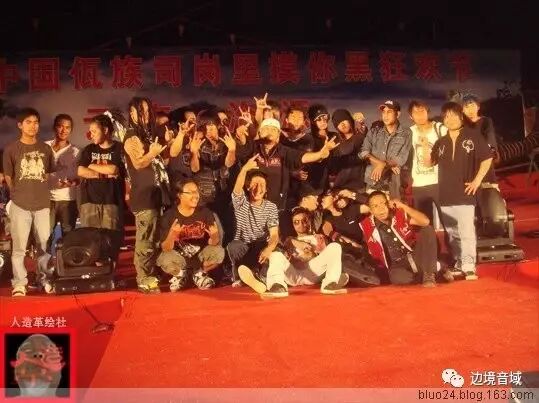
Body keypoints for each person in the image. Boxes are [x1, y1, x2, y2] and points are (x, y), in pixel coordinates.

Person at [426, 102, 493, 280]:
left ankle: (469, 266)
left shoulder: (473, 136)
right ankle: (459, 262)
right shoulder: (440, 142)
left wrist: (477, 181)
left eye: (454, 115)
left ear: (461, 117)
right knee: (452, 232)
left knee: (466, 231)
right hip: (445, 194)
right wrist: (424, 145)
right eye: (446, 116)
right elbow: (429, 163)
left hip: (465, 193)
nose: (450, 119)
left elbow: (487, 158)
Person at [238, 206, 349, 298]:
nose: (301, 224)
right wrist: (297, 244)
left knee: (335, 247)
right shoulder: (289, 240)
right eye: (296, 222)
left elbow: (327, 259)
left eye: (304, 221)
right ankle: (277, 286)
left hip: (312, 272)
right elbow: (285, 243)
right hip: (293, 274)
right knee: (275, 255)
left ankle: (330, 284)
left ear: (309, 221)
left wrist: (315, 252)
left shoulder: (319, 237)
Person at [3, 108, 54, 297]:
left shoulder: (45, 149)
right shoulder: (11, 149)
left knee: (44, 246)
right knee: (19, 248)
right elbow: (9, 177)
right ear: (20, 125)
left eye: (36, 122)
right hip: (20, 204)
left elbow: (47, 175)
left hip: (42, 204)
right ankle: (19, 283)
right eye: (28, 122)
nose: (33, 126)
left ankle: (44, 279)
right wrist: (17, 194)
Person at [236, 118, 338, 211]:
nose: (269, 131)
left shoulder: (285, 152)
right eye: (266, 129)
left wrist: (320, 154)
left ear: (278, 135)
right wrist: (241, 138)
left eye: (273, 129)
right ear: (259, 132)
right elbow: (242, 148)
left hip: (276, 208)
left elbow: (302, 157)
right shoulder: (252, 147)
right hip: (250, 205)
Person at [123, 97, 171, 293]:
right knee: (146, 240)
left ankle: (154, 274)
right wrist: (151, 153)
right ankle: (144, 278)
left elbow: (162, 163)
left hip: (157, 194)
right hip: (144, 197)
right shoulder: (132, 136)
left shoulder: (148, 135)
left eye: (146, 110)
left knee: (156, 238)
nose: (144, 114)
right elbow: (138, 163)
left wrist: (165, 146)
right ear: (132, 114)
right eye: (139, 111)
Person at [360, 191, 439, 287]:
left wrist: (403, 206)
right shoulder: (366, 226)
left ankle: (429, 275)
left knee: (427, 229)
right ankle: (433, 271)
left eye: (383, 204)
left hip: (415, 255)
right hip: (397, 265)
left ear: (388, 204)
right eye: (375, 206)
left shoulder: (398, 214)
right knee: (398, 278)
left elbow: (425, 221)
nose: (381, 209)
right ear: (371, 210)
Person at [158, 180, 225, 292]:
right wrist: (172, 234)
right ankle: (181, 276)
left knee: (218, 251)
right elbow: (165, 248)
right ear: (179, 195)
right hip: (180, 260)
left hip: (200, 259)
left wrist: (214, 236)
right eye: (190, 192)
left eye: (196, 192)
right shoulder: (169, 216)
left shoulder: (205, 212)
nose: (195, 196)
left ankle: (199, 274)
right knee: (165, 258)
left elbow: (214, 243)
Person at [227, 154, 280, 287]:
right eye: (254, 184)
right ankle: (239, 277)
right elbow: (237, 190)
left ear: (266, 189)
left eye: (262, 184)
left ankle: (261, 276)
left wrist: (269, 248)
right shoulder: (241, 203)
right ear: (248, 187)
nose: (258, 188)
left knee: (276, 250)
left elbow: (274, 235)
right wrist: (244, 169)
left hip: (261, 246)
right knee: (233, 246)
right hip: (244, 246)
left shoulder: (271, 207)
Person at [77, 114, 124, 230]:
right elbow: (81, 171)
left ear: (105, 130)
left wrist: (91, 165)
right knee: (89, 237)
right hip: (89, 202)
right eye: (90, 132)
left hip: (112, 202)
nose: (91, 135)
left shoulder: (120, 148)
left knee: (110, 237)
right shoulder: (89, 149)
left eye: (94, 131)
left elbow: (113, 169)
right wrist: (104, 174)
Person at [359, 100, 412, 199]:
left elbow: (402, 158)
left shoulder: (406, 133)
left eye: (389, 112)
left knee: (393, 208)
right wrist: (381, 164)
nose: (385, 115)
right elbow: (363, 152)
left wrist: (384, 164)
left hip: (393, 185)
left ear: (398, 114)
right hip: (372, 183)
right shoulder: (373, 132)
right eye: (383, 112)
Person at [407, 100, 447, 223]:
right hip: (419, 184)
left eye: (422, 111)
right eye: (416, 112)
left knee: (448, 222)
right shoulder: (409, 132)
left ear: (428, 112)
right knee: (424, 224)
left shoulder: (440, 129)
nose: (420, 115)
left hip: (440, 183)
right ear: (411, 116)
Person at [45, 114, 80, 242]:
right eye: (60, 126)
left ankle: (67, 256)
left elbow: (80, 178)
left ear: (71, 130)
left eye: (67, 127)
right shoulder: (44, 147)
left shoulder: (77, 151)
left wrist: (72, 182)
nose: (63, 130)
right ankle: (44, 256)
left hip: (68, 200)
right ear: (54, 127)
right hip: (46, 200)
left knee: (68, 236)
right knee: (44, 236)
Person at [461, 94, 499, 188]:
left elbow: (490, 138)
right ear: (462, 110)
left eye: (473, 106)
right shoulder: (461, 125)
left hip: (484, 158)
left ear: (478, 107)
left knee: (489, 188)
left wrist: (492, 150)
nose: (470, 110)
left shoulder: (486, 121)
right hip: (468, 161)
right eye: (466, 107)